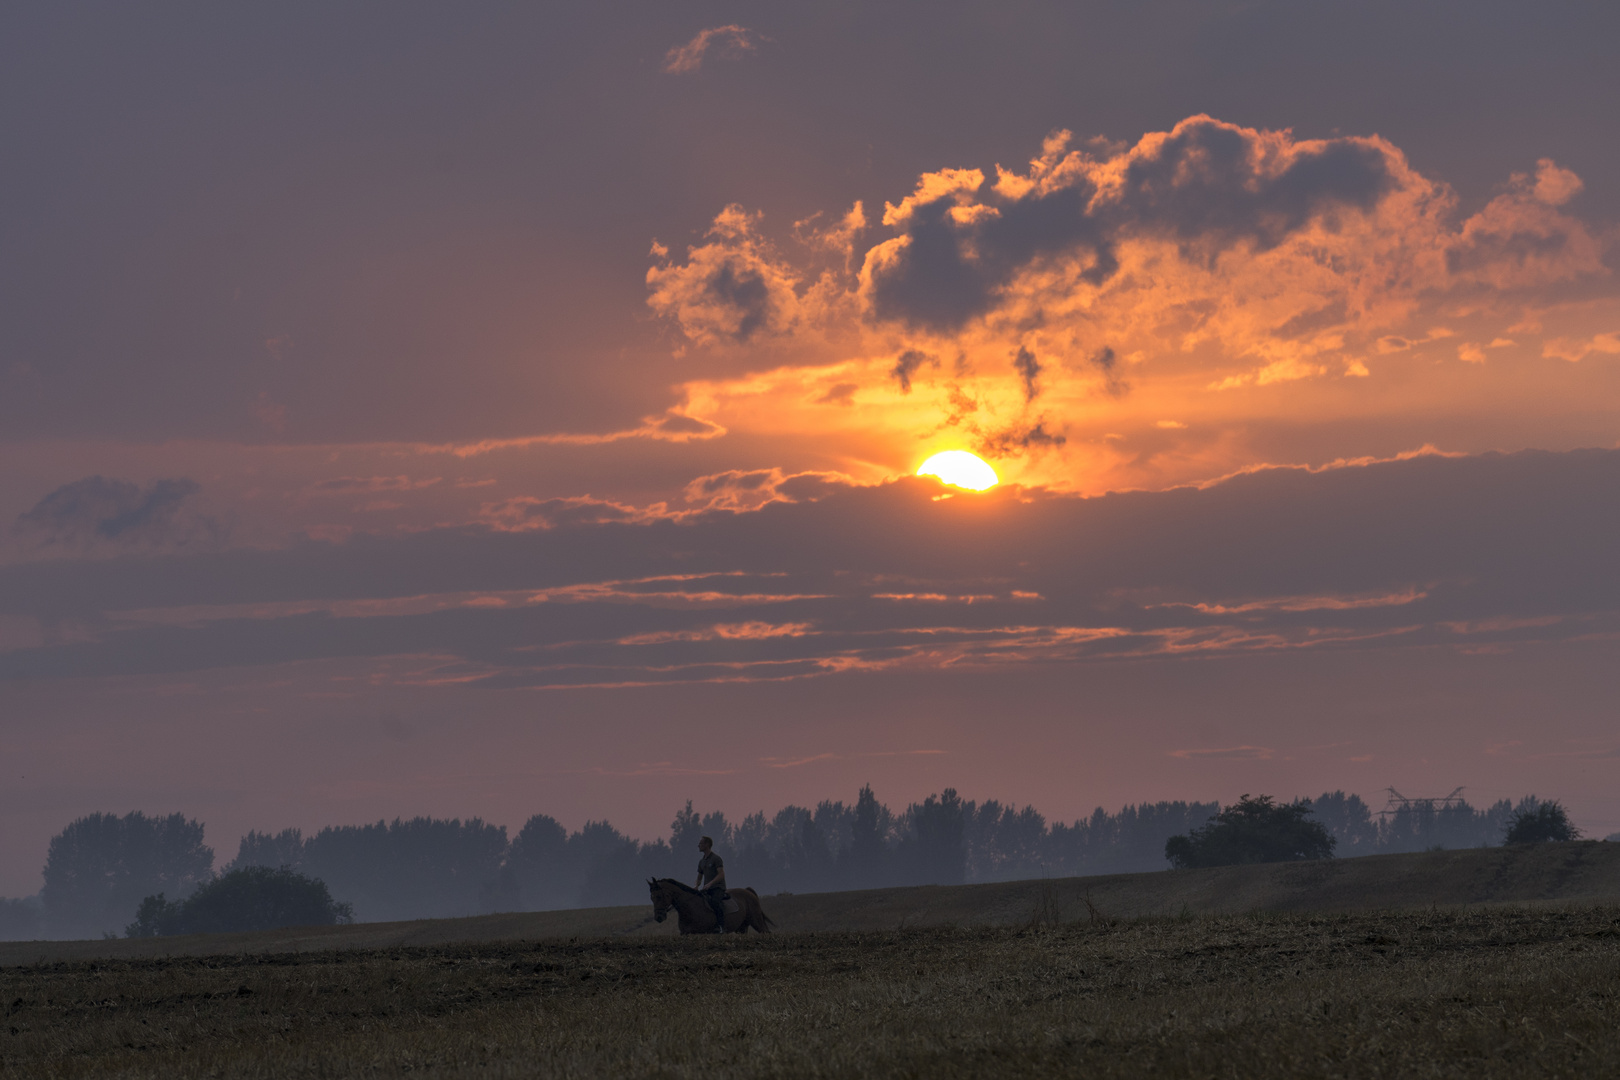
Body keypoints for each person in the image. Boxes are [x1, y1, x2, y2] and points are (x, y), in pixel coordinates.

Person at [695, 835, 728, 933]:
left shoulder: (716, 859)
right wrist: (696, 885)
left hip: (718, 888)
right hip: (706, 889)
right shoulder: (701, 861)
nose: (698, 845)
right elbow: (699, 876)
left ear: (707, 845)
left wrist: (710, 884)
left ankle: (722, 926)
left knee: (715, 902)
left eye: (700, 843)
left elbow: (721, 874)